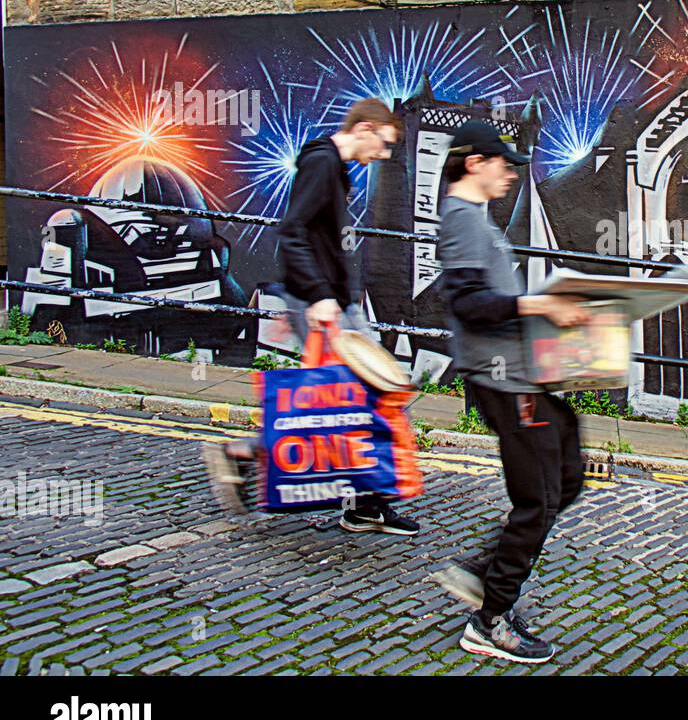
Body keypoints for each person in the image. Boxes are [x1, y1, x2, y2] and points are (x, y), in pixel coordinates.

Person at [204, 98, 413, 534]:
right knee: (357, 400)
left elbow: (314, 240)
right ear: (366, 128)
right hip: (324, 304)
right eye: (384, 144)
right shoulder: (322, 164)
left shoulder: (331, 167)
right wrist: (314, 299)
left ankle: (364, 502)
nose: (384, 154)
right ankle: (252, 457)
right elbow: (294, 231)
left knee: (352, 402)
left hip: (331, 302)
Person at [431, 119, 590, 664]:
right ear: (474, 162)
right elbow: (469, 304)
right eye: (503, 163)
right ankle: (491, 617)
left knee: (568, 474)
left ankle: (483, 572)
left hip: (523, 373)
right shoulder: (461, 220)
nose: (510, 173)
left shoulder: (474, 219)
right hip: (503, 379)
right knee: (539, 498)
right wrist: (540, 305)